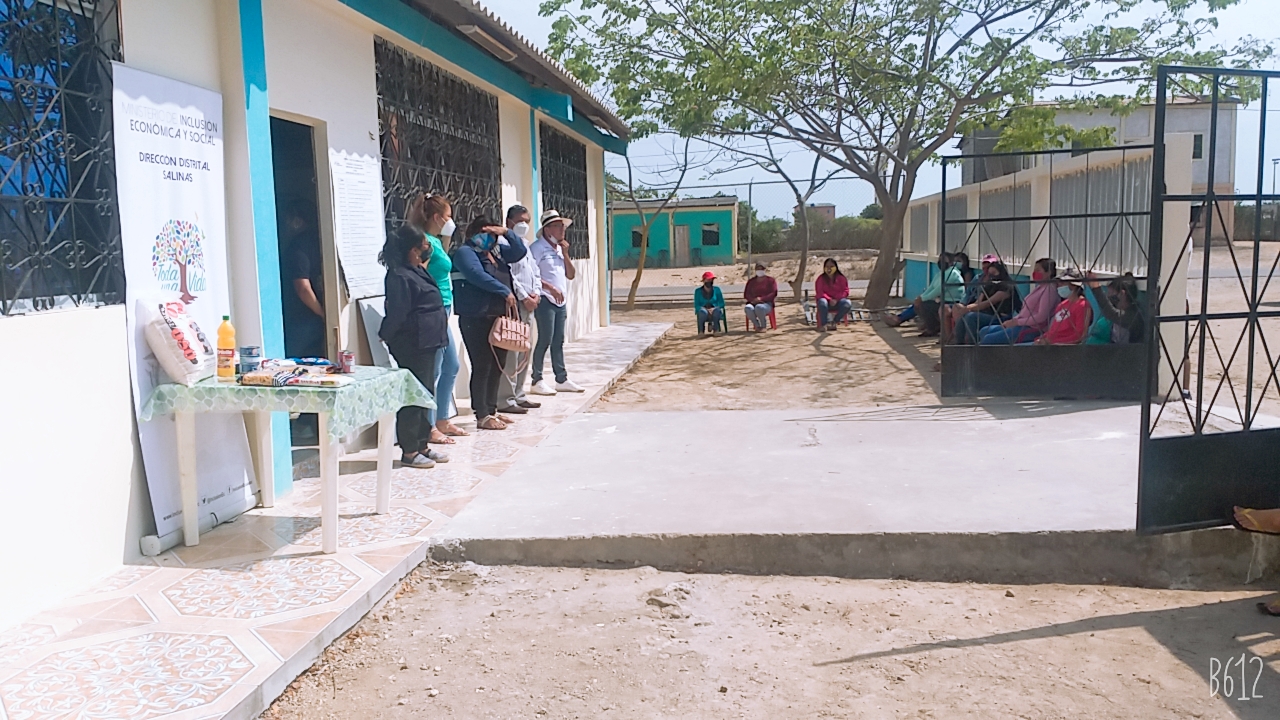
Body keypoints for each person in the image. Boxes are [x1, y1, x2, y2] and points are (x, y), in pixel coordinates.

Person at [378, 225, 450, 468]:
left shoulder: (417, 270)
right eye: (424, 245)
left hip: (430, 340)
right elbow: (398, 311)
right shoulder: (399, 275)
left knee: (425, 394)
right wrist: (385, 334)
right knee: (412, 395)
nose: (428, 248)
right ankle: (409, 450)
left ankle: (422, 444)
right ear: (413, 249)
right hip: (413, 342)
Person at [451, 216, 527, 430]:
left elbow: (519, 252)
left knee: (497, 364)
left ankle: (492, 410)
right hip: (476, 316)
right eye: (487, 234)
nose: (491, 239)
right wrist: (504, 291)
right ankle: (482, 413)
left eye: (494, 235)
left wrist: (507, 233)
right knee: (482, 364)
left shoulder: (495, 252)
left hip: (498, 316)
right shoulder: (465, 252)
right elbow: (476, 275)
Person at [405, 193, 467, 444]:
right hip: (433, 310)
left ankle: (442, 419)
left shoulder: (437, 241)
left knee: (451, 365)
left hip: (444, 308)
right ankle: (429, 426)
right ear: (437, 217)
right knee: (436, 368)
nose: (451, 221)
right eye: (448, 217)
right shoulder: (425, 243)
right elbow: (419, 273)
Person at [529, 209, 584, 395]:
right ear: (547, 229)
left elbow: (571, 274)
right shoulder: (537, 248)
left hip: (560, 301)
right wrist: (550, 288)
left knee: (558, 340)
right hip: (545, 298)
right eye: (558, 226)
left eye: (563, 226)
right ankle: (536, 379)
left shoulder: (560, 249)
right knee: (545, 338)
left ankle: (561, 378)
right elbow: (532, 275)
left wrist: (566, 253)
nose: (562, 230)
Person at [496, 204, 542, 415]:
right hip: (516, 304)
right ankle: (506, 398)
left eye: (527, 222)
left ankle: (519, 394)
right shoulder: (503, 245)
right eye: (520, 221)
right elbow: (510, 275)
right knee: (512, 350)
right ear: (509, 222)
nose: (524, 225)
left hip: (531, 303)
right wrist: (524, 297)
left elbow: (535, 272)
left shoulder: (525, 245)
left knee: (526, 349)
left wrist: (537, 293)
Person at [281, 202, 326, 359]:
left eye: (287, 219)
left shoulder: (298, 247)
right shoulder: (319, 242)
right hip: (313, 319)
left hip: (302, 320)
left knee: (294, 362)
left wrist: (321, 313)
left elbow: (303, 288)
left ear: (297, 221)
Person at [978, 258, 1059, 345]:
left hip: (1032, 328)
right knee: (984, 331)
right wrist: (1013, 321)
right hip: (1021, 323)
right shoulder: (1040, 287)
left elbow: (1041, 317)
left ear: (1049, 272)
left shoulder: (1049, 290)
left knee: (989, 339)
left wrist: (1017, 322)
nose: (1035, 273)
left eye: (1038, 270)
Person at [884, 253, 964, 337]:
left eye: (944, 260)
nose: (941, 262)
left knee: (925, 305)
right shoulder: (941, 273)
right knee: (919, 304)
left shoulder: (952, 274)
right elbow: (931, 288)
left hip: (951, 302)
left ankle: (932, 328)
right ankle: (903, 319)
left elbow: (938, 290)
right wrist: (921, 297)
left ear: (950, 262)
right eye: (940, 260)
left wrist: (923, 299)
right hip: (941, 300)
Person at [953, 260, 1021, 345]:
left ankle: (973, 344)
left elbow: (988, 303)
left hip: (1000, 317)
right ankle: (959, 343)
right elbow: (978, 302)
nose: (992, 276)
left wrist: (967, 309)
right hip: (988, 314)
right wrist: (965, 309)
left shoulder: (1007, 287)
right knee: (964, 316)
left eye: (994, 273)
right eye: (990, 274)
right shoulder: (989, 285)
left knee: (971, 317)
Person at [1029, 270, 1091, 346]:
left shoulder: (1082, 305)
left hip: (1061, 348)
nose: (1059, 286)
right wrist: (1041, 339)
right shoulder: (1062, 305)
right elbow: (1053, 330)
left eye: (1063, 283)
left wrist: (1055, 344)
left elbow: (1080, 335)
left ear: (1073, 285)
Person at [1085, 271, 1145, 344]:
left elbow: (1111, 313)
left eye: (1111, 295)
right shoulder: (1123, 311)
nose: (1109, 299)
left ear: (1122, 294)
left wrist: (1096, 288)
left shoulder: (1133, 315)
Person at [814, 258, 852, 331]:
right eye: (827, 266)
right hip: (825, 303)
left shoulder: (841, 278)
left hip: (838, 302)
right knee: (822, 302)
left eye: (831, 266)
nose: (829, 268)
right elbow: (820, 292)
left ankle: (834, 322)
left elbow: (845, 291)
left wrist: (837, 299)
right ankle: (823, 324)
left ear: (835, 267)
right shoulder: (820, 279)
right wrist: (829, 299)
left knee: (847, 303)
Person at [743, 262, 777, 331]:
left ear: (765, 270)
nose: (760, 270)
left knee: (759, 307)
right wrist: (753, 300)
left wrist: (761, 299)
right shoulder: (751, 281)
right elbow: (746, 294)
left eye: (761, 269)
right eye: (758, 269)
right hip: (753, 303)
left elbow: (773, 293)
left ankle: (763, 326)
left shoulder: (771, 281)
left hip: (766, 304)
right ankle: (757, 325)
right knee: (748, 308)